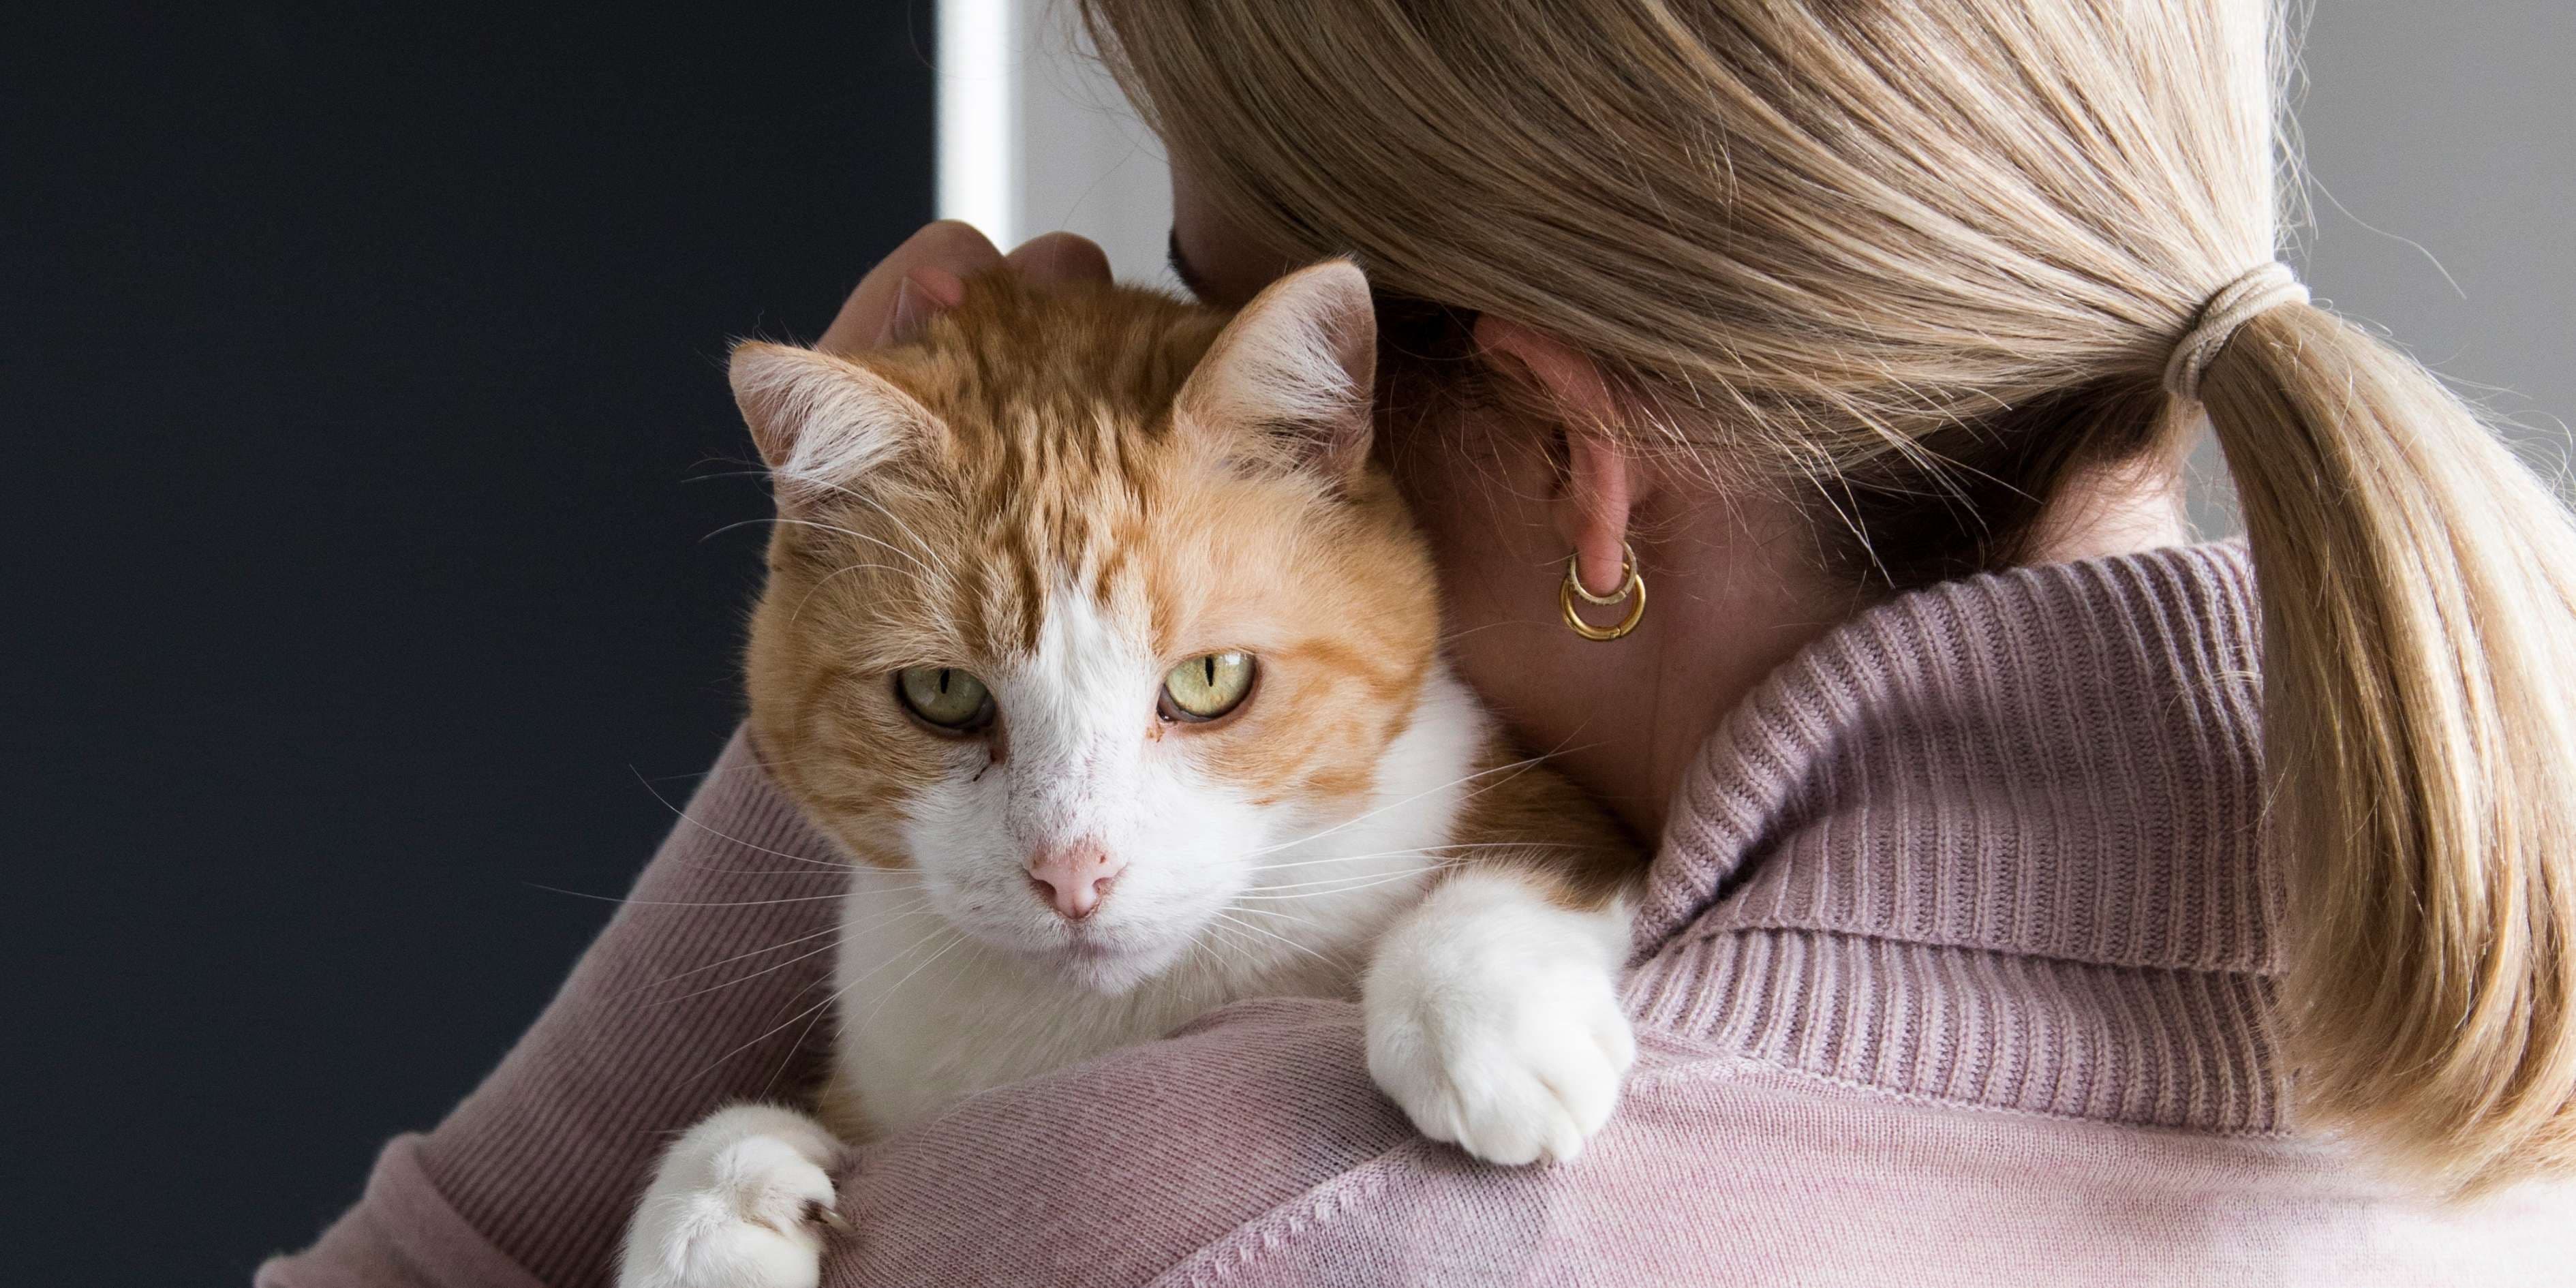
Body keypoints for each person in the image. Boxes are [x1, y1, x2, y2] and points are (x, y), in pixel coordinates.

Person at [262, 1, 2576, 1283]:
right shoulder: (2493, 1024)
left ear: (1570, 473)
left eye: (1222, 304)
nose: (1120, 330)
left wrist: (849, 644)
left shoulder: (1242, 1214)